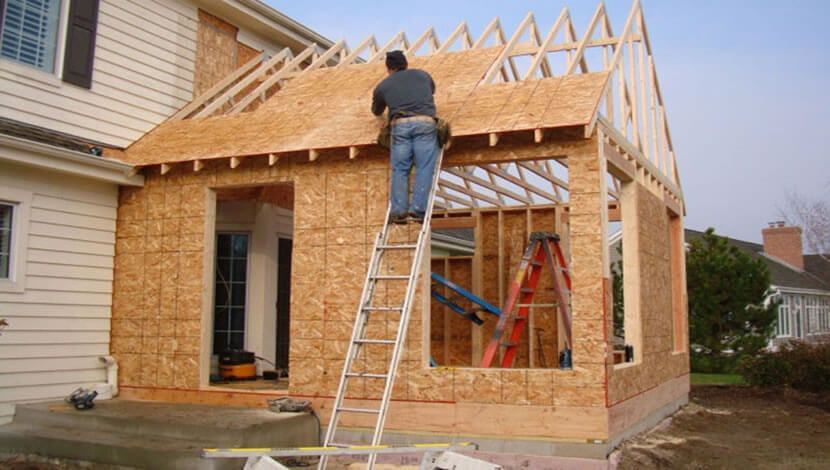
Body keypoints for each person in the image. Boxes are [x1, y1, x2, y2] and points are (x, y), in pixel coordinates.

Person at [372, 50, 439, 224]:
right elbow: (431, 91)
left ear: (389, 68)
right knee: (424, 166)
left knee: (400, 169)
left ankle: (399, 211)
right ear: (406, 64)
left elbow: (376, 110)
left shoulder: (383, 86)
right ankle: (418, 210)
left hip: (399, 126)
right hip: (424, 122)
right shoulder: (423, 75)